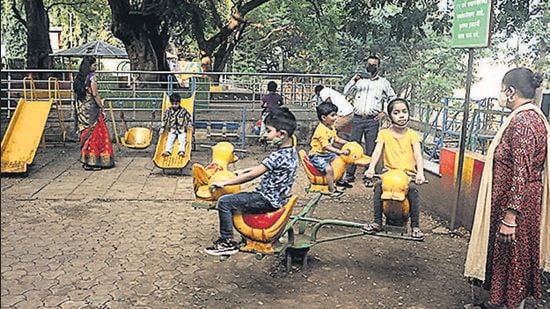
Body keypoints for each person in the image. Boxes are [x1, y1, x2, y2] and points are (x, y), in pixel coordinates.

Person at [464, 68, 549, 309]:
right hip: (517, 202)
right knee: (507, 259)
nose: (501, 94)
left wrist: (511, 217)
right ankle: (498, 303)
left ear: (510, 91)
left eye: (502, 90)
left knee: (515, 261)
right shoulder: (530, 118)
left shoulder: (523, 123)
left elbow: (521, 173)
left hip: (517, 207)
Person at [205, 107, 298, 256]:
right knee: (238, 199)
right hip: (278, 198)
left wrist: (226, 182)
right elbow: (262, 168)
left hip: (265, 199)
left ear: (281, 134)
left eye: (268, 131)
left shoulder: (276, 157)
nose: (266, 135)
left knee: (224, 202)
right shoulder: (291, 153)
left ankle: (226, 241)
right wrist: (240, 171)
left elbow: (252, 176)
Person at [360, 98, 425, 239]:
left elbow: (418, 155)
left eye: (404, 112)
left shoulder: (412, 135)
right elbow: (376, 152)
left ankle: (415, 226)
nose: (401, 115)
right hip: (388, 174)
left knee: (413, 190)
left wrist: (420, 173)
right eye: (396, 112)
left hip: (407, 175)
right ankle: (377, 222)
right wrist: (371, 168)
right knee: (378, 187)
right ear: (390, 117)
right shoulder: (384, 134)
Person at [343, 55, 396, 186]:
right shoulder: (360, 82)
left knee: (370, 148)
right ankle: (349, 175)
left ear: (378, 67)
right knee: (353, 146)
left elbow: (392, 97)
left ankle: (368, 175)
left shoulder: (383, 82)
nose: (370, 66)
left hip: (372, 120)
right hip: (357, 118)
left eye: (373, 64)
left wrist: (386, 112)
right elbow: (345, 92)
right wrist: (353, 80)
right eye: (369, 64)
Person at [73, 56, 115, 171]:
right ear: (89, 66)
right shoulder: (92, 78)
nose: (96, 67)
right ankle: (93, 161)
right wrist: (102, 108)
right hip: (91, 109)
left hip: (81, 109)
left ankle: (86, 160)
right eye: (94, 65)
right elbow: (95, 95)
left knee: (85, 132)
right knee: (94, 134)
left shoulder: (79, 78)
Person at [308, 102, 351, 197]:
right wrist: (339, 151)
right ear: (324, 117)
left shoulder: (331, 127)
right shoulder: (321, 130)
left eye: (336, 114)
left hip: (327, 154)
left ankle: (340, 181)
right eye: (333, 115)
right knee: (329, 169)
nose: (336, 117)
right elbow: (326, 146)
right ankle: (332, 190)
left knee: (342, 161)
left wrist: (348, 143)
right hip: (318, 155)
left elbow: (336, 139)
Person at [159, 93, 193, 157]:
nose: (174, 105)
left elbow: (189, 118)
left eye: (176, 104)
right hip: (172, 129)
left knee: (182, 139)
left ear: (179, 103)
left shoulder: (183, 110)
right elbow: (165, 119)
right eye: (173, 104)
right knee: (170, 139)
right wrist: (162, 128)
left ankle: (181, 151)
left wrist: (189, 125)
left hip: (181, 129)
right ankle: (168, 151)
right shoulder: (168, 110)